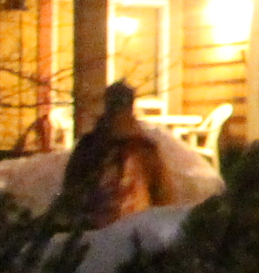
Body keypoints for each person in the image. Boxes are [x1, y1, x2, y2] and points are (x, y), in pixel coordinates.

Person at [59, 80, 175, 231]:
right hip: (130, 232)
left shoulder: (88, 147)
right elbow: (162, 197)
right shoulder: (145, 149)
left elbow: (70, 192)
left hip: (101, 233)